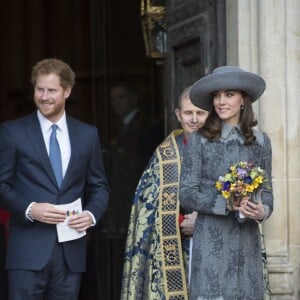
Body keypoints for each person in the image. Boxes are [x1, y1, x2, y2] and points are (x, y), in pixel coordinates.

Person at [0, 58, 110, 300]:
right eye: (40, 89)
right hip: (27, 253)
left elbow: (100, 186)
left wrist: (90, 215)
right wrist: (30, 209)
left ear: (67, 91)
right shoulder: (12, 132)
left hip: (70, 253)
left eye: (51, 90)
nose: (44, 96)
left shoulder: (87, 135)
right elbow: (2, 185)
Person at [179, 66, 273, 299]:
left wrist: (263, 210)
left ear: (243, 100)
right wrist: (224, 204)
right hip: (212, 240)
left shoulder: (261, 141)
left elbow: (267, 189)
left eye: (229, 94)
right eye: (217, 95)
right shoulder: (199, 140)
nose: (221, 101)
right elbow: (186, 192)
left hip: (247, 241)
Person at [120, 86, 210, 300]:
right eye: (188, 113)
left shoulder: (223, 149)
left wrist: (204, 222)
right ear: (178, 115)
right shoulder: (164, 155)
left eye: (200, 113)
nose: (194, 119)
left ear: (210, 114)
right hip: (177, 250)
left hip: (216, 250)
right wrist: (179, 221)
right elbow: (148, 209)